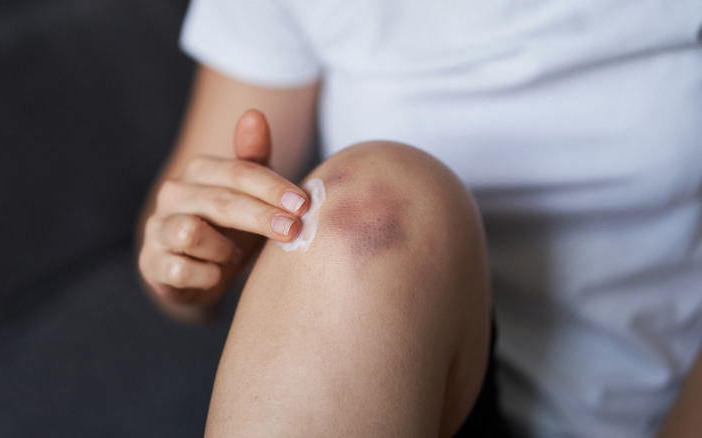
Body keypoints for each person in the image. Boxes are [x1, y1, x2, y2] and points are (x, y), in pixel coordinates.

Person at [137, 0, 702, 437]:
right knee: (368, 206)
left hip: (668, 404)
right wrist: (189, 260)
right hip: (421, 400)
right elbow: (178, 235)